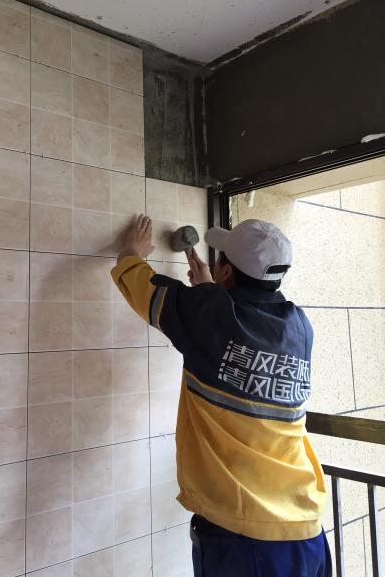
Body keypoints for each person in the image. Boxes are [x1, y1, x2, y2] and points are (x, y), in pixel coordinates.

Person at [111, 214, 331, 577]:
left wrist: (130, 251)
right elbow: (242, 334)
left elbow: (139, 285)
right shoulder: (299, 327)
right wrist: (214, 293)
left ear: (226, 271)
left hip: (245, 537)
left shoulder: (208, 314)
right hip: (306, 526)